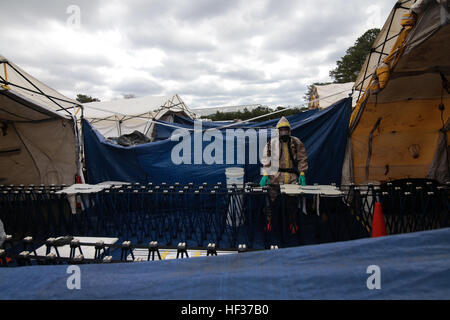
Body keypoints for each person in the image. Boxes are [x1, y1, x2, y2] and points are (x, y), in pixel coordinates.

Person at [260, 116, 308, 234]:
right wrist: (265, 174)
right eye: (281, 130)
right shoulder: (272, 143)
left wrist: (302, 173)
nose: (284, 132)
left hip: (291, 176)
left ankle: (292, 222)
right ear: (278, 131)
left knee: (292, 202)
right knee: (270, 201)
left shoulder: (296, 142)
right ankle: (269, 221)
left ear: (289, 130)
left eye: (286, 130)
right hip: (275, 175)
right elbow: (266, 159)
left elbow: (302, 158)